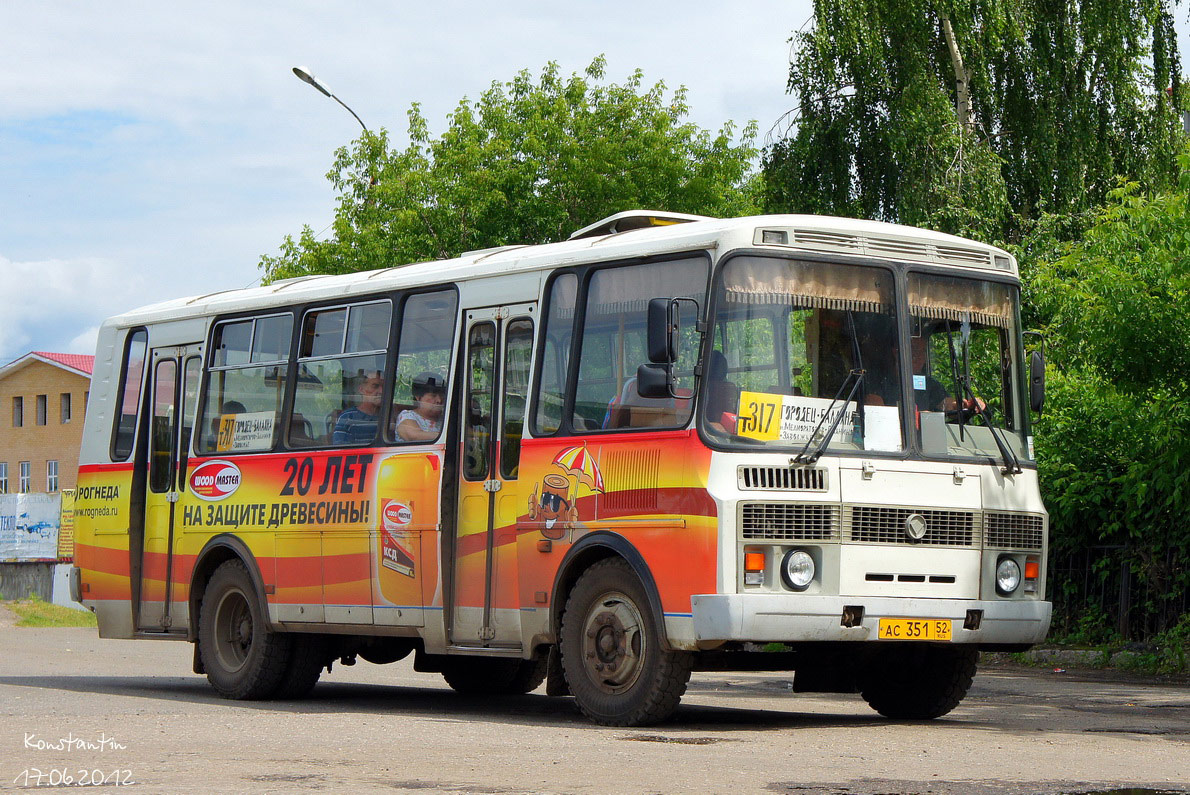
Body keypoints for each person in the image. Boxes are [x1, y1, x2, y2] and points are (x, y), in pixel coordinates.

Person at [910, 336, 984, 415]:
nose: (920, 357)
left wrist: (963, 405)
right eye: (915, 351)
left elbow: (944, 403)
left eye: (923, 352)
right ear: (896, 351)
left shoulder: (928, 384)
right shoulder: (895, 383)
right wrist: (916, 416)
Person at [333, 373, 383, 444]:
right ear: (361, 389)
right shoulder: (347, 418)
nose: (381, 391)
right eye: (375, 386)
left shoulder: (388, 417)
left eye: (384, 387)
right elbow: (340, 452)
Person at [396, 371, 446, 441]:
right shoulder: (407, 416)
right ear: (418, 397)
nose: (439, 400)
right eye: (433, 396)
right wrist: (446, 436)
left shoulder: (444, 419)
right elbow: (413, 436)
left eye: (442, 395)